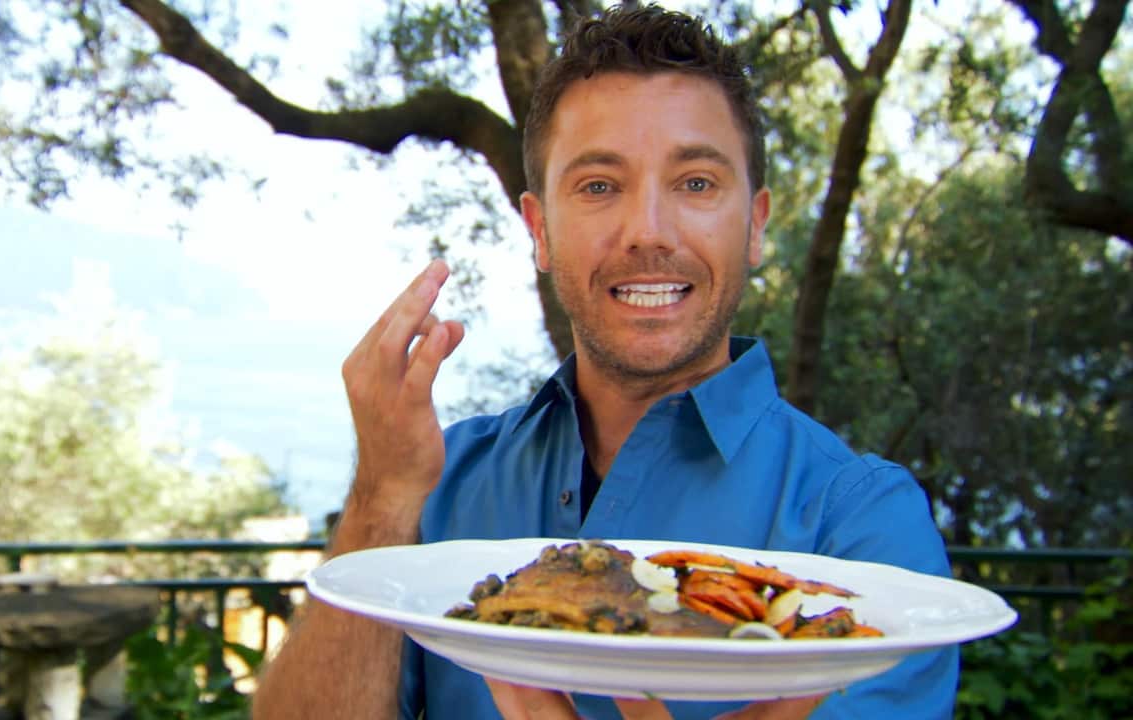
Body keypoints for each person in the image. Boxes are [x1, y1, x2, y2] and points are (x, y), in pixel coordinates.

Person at [252, 5, 957, 719]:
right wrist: (382, 494)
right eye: (598, 186)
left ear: (755, 225)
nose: (647, 231)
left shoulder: (863, 525)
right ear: (541, 231)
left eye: (697, 183)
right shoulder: (442, 482)